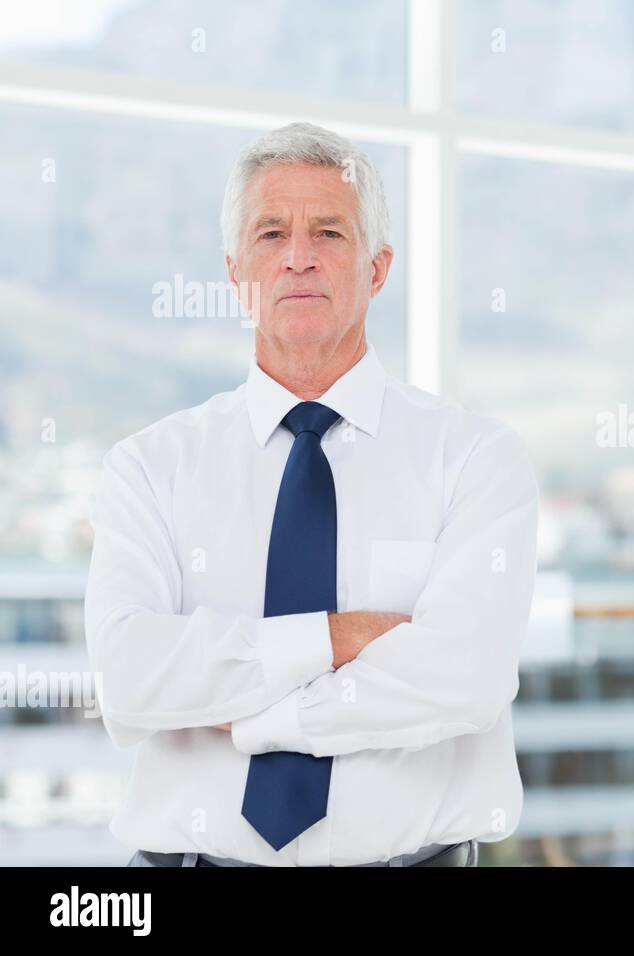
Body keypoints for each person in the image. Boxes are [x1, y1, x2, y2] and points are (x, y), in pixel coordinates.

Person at [83, 121, 539, 867]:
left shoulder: (477, 461)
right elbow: (130, 683)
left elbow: (466, 679)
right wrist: (339, 636)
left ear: (378, 268)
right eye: (271, 234)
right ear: (236, 273)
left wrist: (250, 711)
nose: (298, 256)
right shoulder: (149, 469)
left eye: (329, 231)